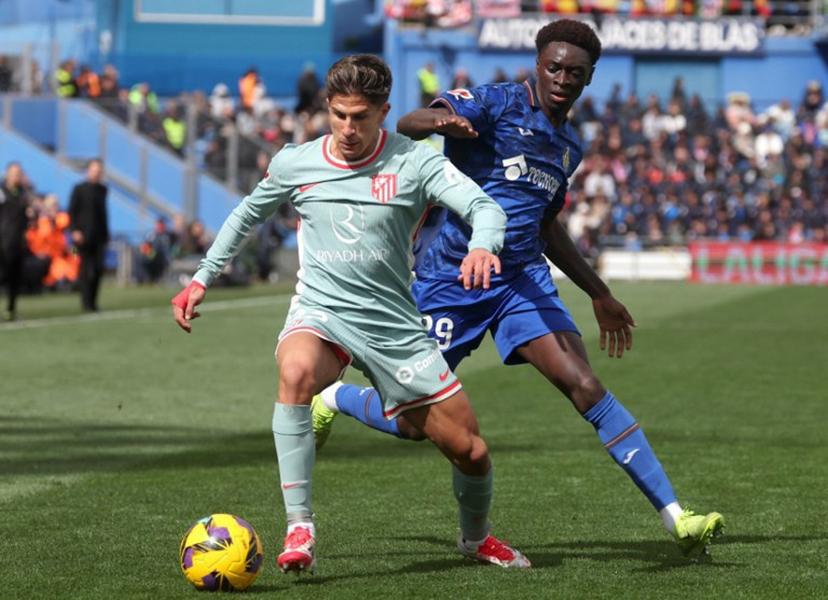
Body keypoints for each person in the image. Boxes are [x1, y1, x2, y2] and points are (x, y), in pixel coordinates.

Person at [312, 20, 724, 559]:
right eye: (553, 66)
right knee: (412, 425)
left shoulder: (568, 146)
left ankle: (677, 518)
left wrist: (598, 292)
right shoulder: (497, 102)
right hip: (451, 277)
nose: (561, 78)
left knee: (584, 384)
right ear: (538, 63)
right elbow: (413, 122)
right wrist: (445, 121)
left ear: (588, 78)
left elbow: (547, 225)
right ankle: (335, 398)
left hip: (521, 281)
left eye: (574, 72)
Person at [170, 54, 530, 574]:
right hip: (322, 312)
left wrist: (483, 245)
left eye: (360, 116)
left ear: (383, 112)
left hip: (394, 326)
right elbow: (247, 212)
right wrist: (202, 277)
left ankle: (474, 539)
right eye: (338, 115)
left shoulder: (415, 162)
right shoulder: (297, 163)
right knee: (294, 371)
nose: (347, 128)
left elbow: (485, 207)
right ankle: (300, 525)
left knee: (470, 452)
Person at [69, 158, 109, 312]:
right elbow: (72, 211)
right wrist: (74, 231)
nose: (96, 174)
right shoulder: (79, 189)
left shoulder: (103, 190)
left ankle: (93, 302)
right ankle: (85, 303)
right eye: (94, 171)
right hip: (82, 238)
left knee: (98, 270)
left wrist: (106, 233)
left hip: (99, 236)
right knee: (85, 271)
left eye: (99, 171)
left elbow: (103, 214)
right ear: (88, 171)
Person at [0, 162, 30, 321]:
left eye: (19, 173)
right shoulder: (1, 191)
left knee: (15, 277)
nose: (16, 176)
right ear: (7, 174)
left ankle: (11, 310)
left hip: (18, 241)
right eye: (14, 172)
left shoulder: (23, 193)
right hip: (3, 241)